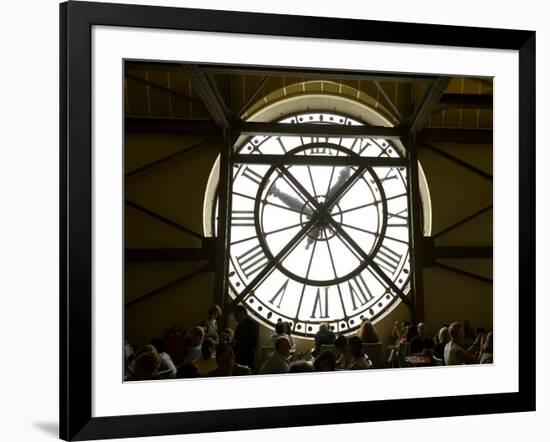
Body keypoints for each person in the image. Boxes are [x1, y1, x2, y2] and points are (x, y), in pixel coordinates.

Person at [232, 305, 259, 371]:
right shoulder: (253, 324)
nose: (235, 318)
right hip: (246, 356)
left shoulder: (241, 325)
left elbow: (253, 343)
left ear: (242, 313)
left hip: (245, 356)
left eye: (236, 315)